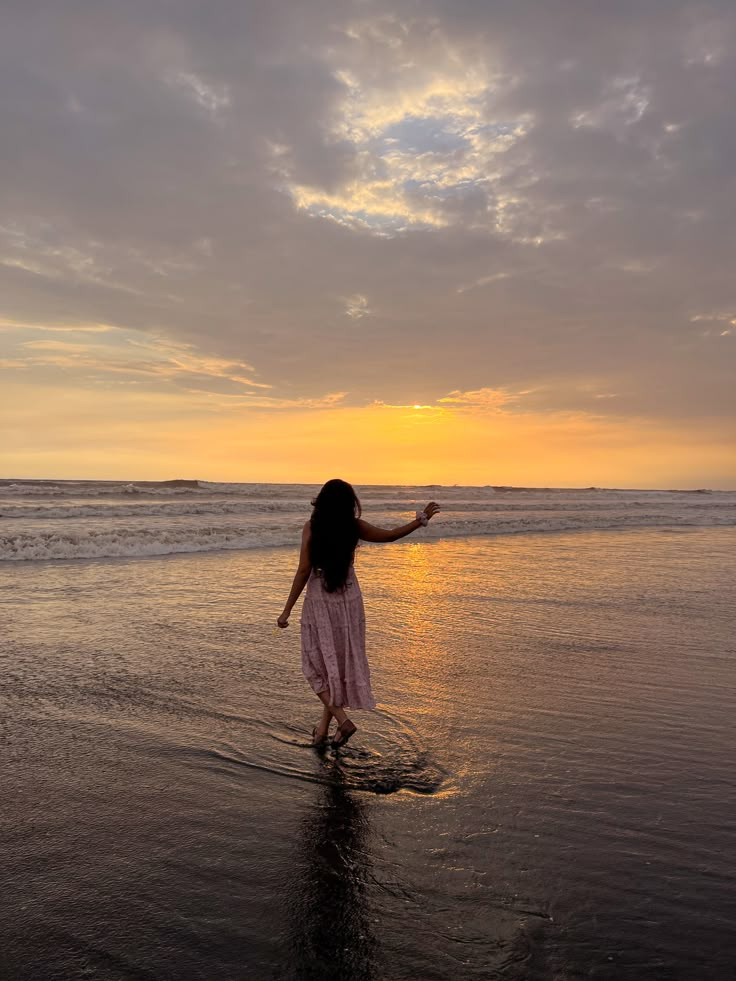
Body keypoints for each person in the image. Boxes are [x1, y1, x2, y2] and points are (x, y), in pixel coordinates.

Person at [277, 479, 440, 749]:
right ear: (348, 503)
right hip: (350, 600)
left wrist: (286, 610)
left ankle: (343, 721)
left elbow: (304, 570)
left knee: (314, 666)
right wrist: (420, 520)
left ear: (322, 501)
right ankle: (321, 732)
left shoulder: (312, 528)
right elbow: (389, 535)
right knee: (336, 667)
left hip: (321, 602)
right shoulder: (352, 527)